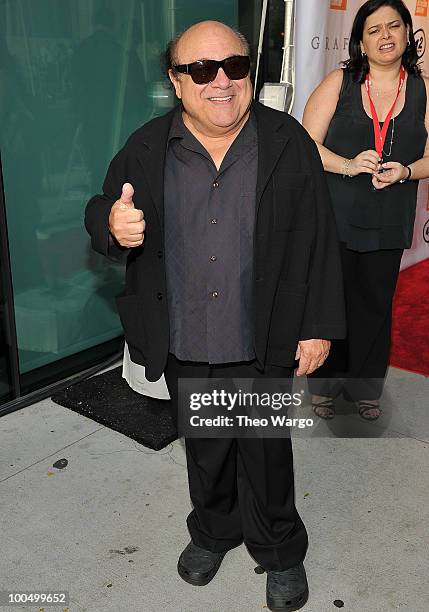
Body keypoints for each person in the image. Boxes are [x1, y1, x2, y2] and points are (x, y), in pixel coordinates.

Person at [85, 21, 345, 611]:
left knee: (266, 452)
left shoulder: (287, 143)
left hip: (264, 335)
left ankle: (279, 549)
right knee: (204, 447)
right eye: (202, 70)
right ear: (177, 83)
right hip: (185, 337)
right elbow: (102, 206)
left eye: (235, 65)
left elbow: (319, 240)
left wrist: (317, 325)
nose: (221, 81)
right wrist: (111, 224)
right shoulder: (148, 147)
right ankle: (214, 530)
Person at [303, 0, 429, 421]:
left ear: (408, 33)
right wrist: (346, 164)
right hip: (335, 216)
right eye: (374, 30)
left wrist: (408, 170)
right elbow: (306, 146)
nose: (386, 35)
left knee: (375, 305)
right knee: (330, 301)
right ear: (360, 41)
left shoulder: (423, 88)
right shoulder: (340, 82)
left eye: (394, 26)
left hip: (389, 218)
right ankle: (324, 385)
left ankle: (365, 388)